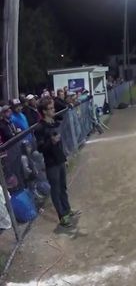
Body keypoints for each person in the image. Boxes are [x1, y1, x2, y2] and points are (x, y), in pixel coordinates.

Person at [35, 97, 79, 228]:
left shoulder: (54, 122)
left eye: (53, 107)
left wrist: (64, 158)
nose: (54, 110)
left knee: (63, 187)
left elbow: (59, 145)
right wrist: (51, 142)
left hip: (59, 160)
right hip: (51, 163)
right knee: (55, 190)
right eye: (50, 108)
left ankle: (67, 209)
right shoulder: (40, 127)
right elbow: (40, 148)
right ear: (44, 111)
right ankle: (62, 215)